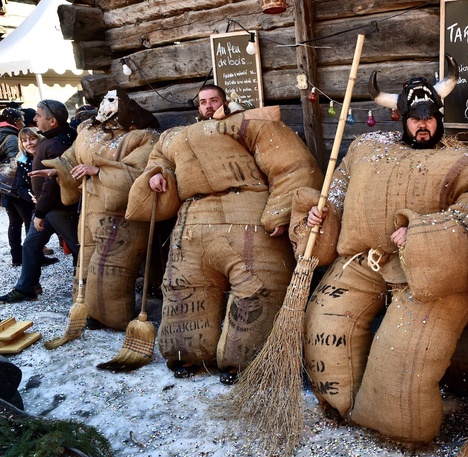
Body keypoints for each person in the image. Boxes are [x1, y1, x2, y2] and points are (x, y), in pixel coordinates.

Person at [299, 57, 468, 445]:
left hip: (426, 271)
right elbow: (336, 191)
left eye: (429, 117)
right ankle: (343, 407)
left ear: (439, 117)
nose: (423, 125)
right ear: (400, 119)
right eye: (415, 118)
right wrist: (321, 213)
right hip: (361, 260)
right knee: (324, 323)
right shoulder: (365, 149)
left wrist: (421, 233)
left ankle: (392, 424)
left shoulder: (467, 162)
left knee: (402, 361)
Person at [126, 95, 323, 384]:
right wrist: (157, 174)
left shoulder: (248, 125)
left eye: (213, 99)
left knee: (256, 288)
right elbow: (159, 160)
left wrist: (280, 211)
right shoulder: (175, 137)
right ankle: (186, 353)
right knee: (184, 285)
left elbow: (291, 164)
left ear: (226, 102)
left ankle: (243, 360)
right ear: (197, 108)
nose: (208, 105)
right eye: (202, 101)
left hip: (248, 212)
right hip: (193, 217)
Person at [42, 89, 159, 330]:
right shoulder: (87, 132)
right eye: (104, 99)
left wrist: (98, 171)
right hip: (89, 209)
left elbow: (139, 171)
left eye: (113, 101)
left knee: (110, 268)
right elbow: (71, 158)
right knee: (85, 260)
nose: (107, 105)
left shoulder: (143, 137)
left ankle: (110, 316)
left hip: (120, 214)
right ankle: (85, 310)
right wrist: (60, 170)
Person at [0, 100, 78, 304]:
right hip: (48, 208)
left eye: (38, 115)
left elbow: (53, 184)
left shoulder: (57, 144)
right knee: (31, 245)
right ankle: (26, 288)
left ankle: (86, 288)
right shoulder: (53, 139)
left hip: (57, 208)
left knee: (80, 248)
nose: (34, 118)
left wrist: (40, 213)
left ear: (52, 121)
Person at [4, 127, 41, 267]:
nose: (29, 143)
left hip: (10, 188)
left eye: (32, 138)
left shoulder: (42, 154)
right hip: (15, 191)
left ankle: (19, 257)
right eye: (25, 140)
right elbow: (20, 184)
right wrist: (31, 197)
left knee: (16, 223)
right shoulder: (22, 158)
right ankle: (31, 258)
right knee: (29, 224)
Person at [0, 108, 22, 264]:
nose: (23, 122)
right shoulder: (11, 138)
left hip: (3, 187)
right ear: (15, 121)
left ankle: (16, 256)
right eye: (21, 119)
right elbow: (15, 163)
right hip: (13, 186)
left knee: (14, 221)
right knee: (25, 220)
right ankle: (32, 255)